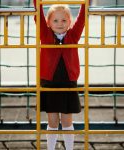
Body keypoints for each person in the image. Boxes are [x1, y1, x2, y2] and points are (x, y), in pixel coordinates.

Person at [33, 0, 85, 149]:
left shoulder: (73, 36)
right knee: (52, 120)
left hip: (68, 82)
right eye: (55, 20)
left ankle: (69, 148)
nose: (60, 23)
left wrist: (85, 3)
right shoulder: (45, 35)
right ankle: (50, 148)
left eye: (64, 20)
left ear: (70, 22)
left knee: (67, 120)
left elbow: (82, 19)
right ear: (48, 22)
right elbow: (39, 14)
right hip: (49, 82)